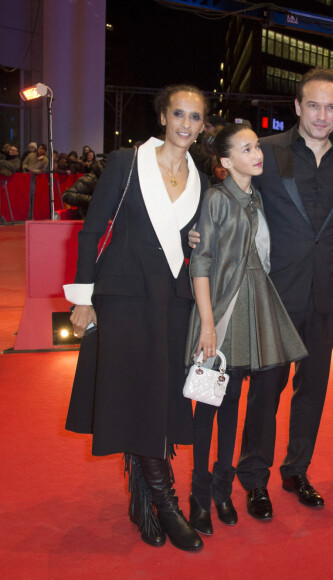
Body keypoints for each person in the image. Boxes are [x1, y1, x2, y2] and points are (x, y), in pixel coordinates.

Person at [63, 84, 209, 551]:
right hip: (123, 296)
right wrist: (83, 296)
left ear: (204, 125)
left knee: (161, 397)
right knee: (135, 396)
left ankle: (143, 503)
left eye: (196, 118)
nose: (187, 125)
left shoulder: (200, 174)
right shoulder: (127, 163)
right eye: (179, 115)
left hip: (172, 300)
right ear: (164, 116)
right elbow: (91, 230)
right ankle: (165, 505)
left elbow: (192, 238)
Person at [235, 67, 333, 519]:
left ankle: (297, 470)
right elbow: (230, 197)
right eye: (314, 105)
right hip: (274, 294)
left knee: (313, 391)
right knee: (266, 391)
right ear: (298, 107)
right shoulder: (266, 152)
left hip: (324, 294)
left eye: (331, 107)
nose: (322, 115)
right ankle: (253, 478)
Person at [185, 124, 307, 536]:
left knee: (234, 403)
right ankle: (200, 494)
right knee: (211, 402)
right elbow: (200, 263)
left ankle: (222, 488)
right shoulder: (217, 199)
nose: (257, 154)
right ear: (224, 161)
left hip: (256, 303)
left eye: (257, 146)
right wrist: (206, 326)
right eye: (247, 148)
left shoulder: (257, 196)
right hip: (222, 312)